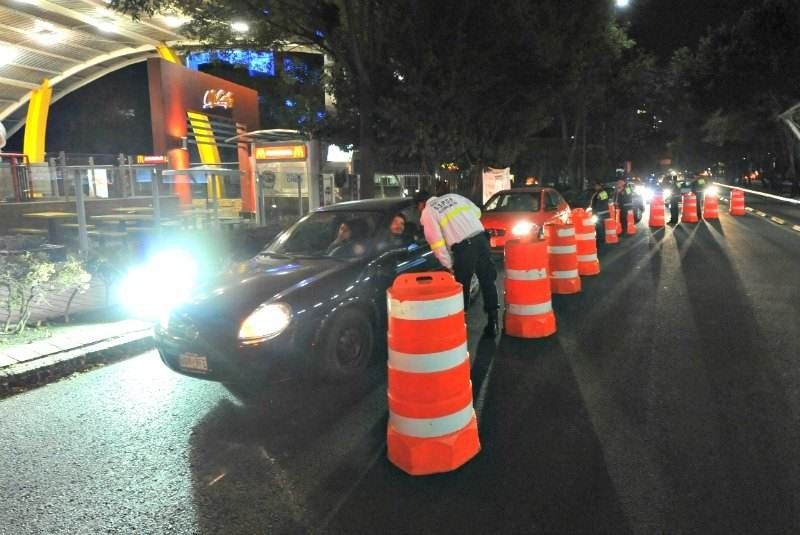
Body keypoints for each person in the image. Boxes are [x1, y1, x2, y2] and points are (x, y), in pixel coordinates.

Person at [418, 182, 499, 337]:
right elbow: (477, 212)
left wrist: (449, 265)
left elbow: (437, 244)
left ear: (421, 204)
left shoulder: (428, 211)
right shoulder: (455, 197)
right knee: (488, 280)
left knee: (461, 289)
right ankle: (493, 322)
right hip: (482, 240)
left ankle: (459, 328)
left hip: (464, 249)